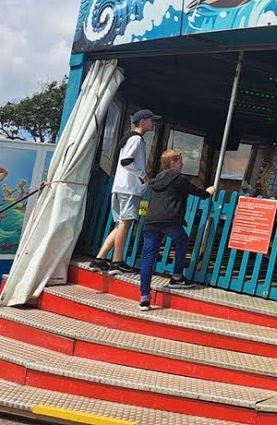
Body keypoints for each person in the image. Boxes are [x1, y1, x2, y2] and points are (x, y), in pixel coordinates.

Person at [138, 149, 217, 311]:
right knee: (182, 240)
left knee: (147, 258)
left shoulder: (156, 180)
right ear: (172, 163)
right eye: (180, 161)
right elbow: (197, 192)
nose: (182, 163)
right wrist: (208, 192)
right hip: (169, 220)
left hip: (151, 220)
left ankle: (144, 298)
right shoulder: (179, 179)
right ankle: (176, 277)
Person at [90, 109, 161, 275]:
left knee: (121, 224)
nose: (154, 123)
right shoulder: (136, 139)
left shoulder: (129, 138)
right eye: (152, 120)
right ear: (143, 122)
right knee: (125, 223)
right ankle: (117, 262)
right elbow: (126, 161)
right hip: (129, 188)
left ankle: (100, 259)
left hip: (121, 186)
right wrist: (143, 176)